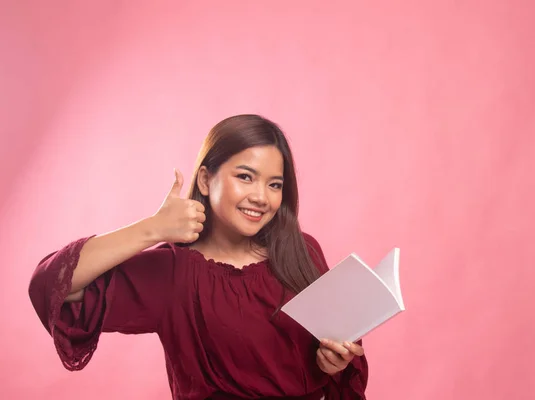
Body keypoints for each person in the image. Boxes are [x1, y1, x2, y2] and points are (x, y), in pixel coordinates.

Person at [28, 114, 368, 399]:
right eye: (245, 177)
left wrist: (332, 362)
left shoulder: (303, 250)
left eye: (274, 185)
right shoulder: (175, 273)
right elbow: (54, 284)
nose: (261, 197)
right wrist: (152, 229)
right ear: (205, 180)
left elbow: (335, 362)